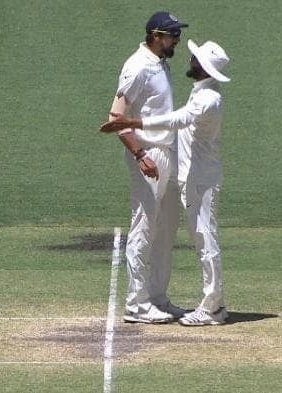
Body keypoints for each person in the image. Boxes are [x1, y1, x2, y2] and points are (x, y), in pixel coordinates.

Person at [101, 40, 231, 326]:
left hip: (200, 178)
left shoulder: (206, 99)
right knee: (197, 237)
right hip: (192, 175)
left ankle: (212, 307)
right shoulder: (202, 92)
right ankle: (162, 300)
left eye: (195, 59)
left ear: (204, 68)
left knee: (205, 239)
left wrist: (134, 123)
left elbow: (177, 120)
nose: (190, 60)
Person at [108, 11, 189, 324]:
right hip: (149, 155)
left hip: (168, 152)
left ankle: (157, 298)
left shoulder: (160, 63)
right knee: (144, 226)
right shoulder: (137, 66)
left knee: (166, 229)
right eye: (172, 36)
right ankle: (136, 303)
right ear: (156, 36)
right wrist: (140, 155)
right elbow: (116, 118)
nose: (176, 41)